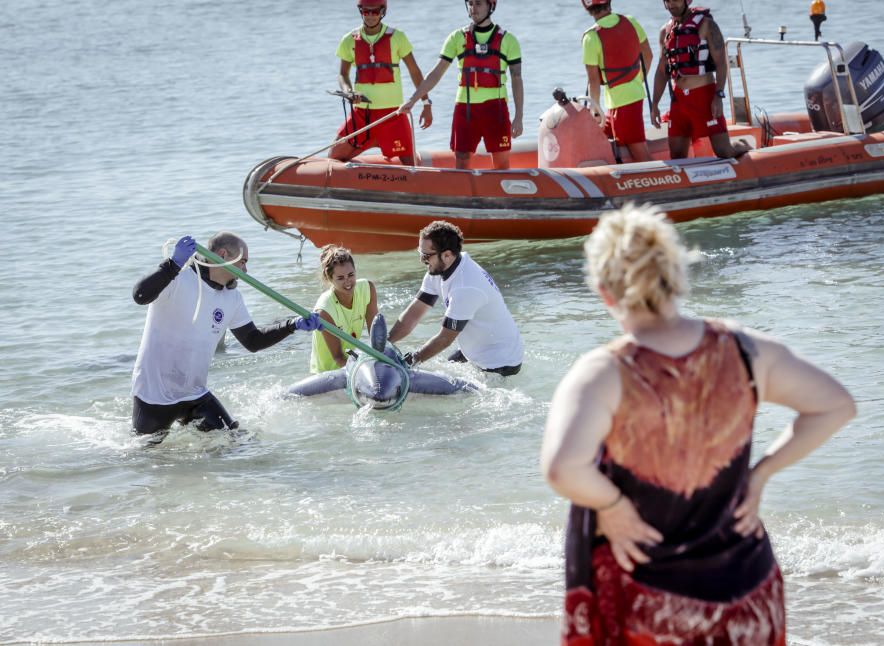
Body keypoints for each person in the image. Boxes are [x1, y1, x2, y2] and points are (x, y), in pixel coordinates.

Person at [541, 205, 856, 644]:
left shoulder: (605, 372)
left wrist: (612, 506)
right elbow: (836, 406)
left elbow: (562, 468)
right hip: (749, 589)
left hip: (651, 599)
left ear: (604, 292)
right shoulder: (747, 351)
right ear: (675, 273)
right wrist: (761, 473)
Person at [131, 233, 322, 441]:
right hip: (154, 394)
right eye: (243, 262)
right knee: (147, 458)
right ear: (223, 255)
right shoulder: (177, 279)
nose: (246, 270)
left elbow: (253, 341)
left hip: (194, 394)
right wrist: (172, 264)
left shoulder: (232, 298)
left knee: (236, 442)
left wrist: (292, 325)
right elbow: (140, 296)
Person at [399, 0, 523, 170]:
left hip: (496, 109)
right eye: (470, 3)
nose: (473, 8)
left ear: (491, 6)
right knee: (462, 158)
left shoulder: (509, 40)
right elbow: (436, 73)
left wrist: (519, 117)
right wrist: (413, 100)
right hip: (465, 109)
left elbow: (517, 78)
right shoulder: (456, 37)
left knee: (501, 163)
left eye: (479, 3)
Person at [388, 220, 523, 375]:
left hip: (500, 364)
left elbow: (445, 338)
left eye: (426, 255)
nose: (422, 260)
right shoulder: (439, 269)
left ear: (447, 255)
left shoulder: (466, 287)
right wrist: (385, 343)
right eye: (420, 253)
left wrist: (408, 362)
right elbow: (413, 314)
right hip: (473, 351)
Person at [329, 0, 433, 165]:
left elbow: (415, 72)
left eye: (375, 11)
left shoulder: (397, 37)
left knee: (411, 166)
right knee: (334, 156)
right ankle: (362, 178)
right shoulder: (349, 40)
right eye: (366, 11)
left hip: (393, 116)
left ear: (382, 11)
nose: (370, 15)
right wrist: (349, 91)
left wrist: (426, 103)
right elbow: (343, 74)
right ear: (360, 11)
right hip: (362, 115)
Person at [651, 0, 749, 159]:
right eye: (667, 1)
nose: (671, 5)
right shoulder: (665, 31)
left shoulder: (707, 25)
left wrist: (719, 95)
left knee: (724, 152)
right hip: (679, 100)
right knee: (676, 155)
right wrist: (655, 104)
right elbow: (662, 72)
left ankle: (744, 144)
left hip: (704, 97)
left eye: (675, 0)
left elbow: (721, 64)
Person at [580, 0, 655, 163]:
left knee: (640, 153)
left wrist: (594, 112)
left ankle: (664, 183)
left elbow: (593, 82)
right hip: (626, 100)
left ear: (587, 7)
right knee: (603, 135)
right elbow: (648, 55)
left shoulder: (590, 37)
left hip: (621, 104)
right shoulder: (631, 21)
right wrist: (637, 80)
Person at [309, 245, 379, 372]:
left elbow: (376, 339)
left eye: (351, 275)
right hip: (327, 373)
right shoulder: (324, 311)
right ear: (329, 278)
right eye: (340, 278)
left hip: (353, 364)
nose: (348, 282)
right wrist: (367, 369)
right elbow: (338, 358)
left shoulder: (367, 288)